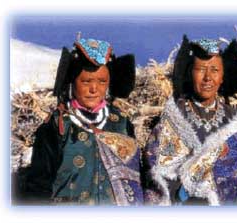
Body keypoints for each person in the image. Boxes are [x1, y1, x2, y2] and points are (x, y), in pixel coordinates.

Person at [13, 35, 143, 205]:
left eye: (102, 81)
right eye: (86, 81)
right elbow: (38, 186)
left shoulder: (121, 123)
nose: (94, 89)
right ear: (72, 82)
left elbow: (135, 179)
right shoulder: (56, 127)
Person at [143, 35, 237, 205]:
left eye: (215, 70)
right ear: (189, 74)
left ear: (223, 76)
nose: (208, 77)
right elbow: (157, 176)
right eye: (201, 69)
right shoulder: (172, 121)